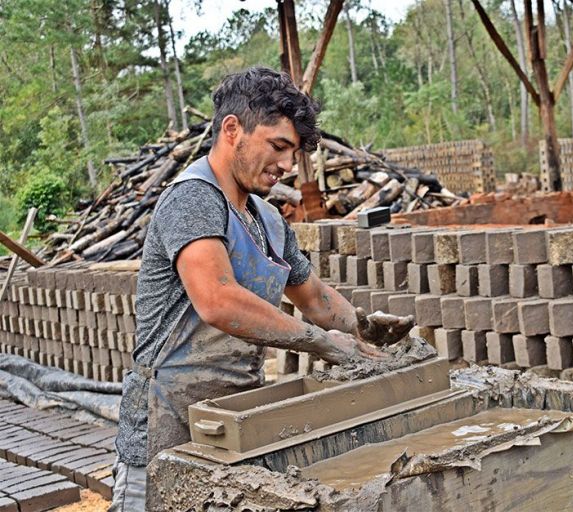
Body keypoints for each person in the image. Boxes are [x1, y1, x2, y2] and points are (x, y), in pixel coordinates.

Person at [110, 66, 414, 511]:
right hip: (169, 415)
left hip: (238, 414)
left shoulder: (267, 220)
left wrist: (363, 328)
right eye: (278, 146)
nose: (287, 165)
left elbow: (314, 299)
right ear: (232, 129)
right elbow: (218, 301)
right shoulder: (193, 199)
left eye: (293, 153)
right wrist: (321, 344)